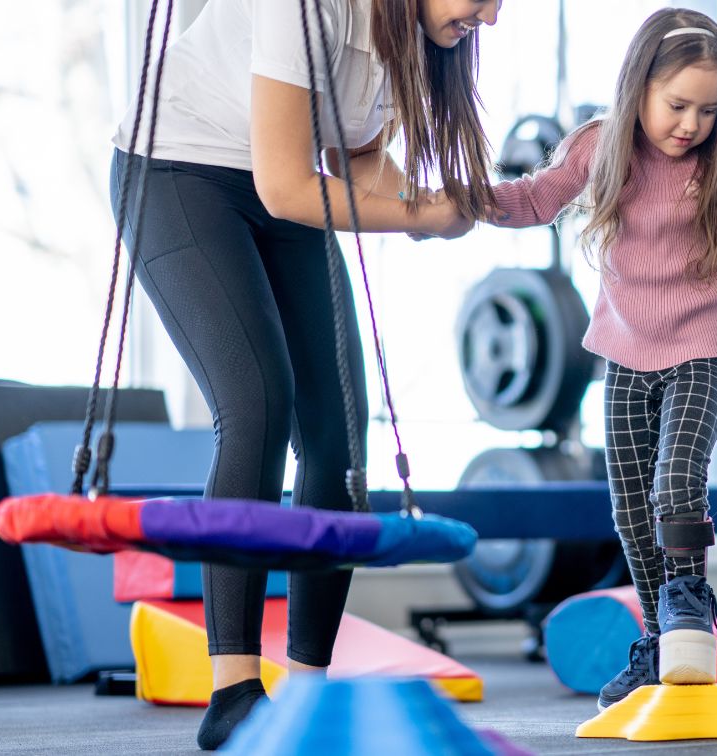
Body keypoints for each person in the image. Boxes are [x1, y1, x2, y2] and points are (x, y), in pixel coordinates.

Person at [108, 0, 497, 749]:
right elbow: (288, 187)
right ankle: (233, 690)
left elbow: (353, 159)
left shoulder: (409, 35)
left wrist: (434, 202)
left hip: (275, 178)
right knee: (258, 402)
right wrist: (416, 217)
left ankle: (310, 692)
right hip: (178, 167)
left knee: (340, 433)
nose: (492, 14)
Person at [483, 7, 717, 711]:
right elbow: (538, 198)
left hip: (701, 351)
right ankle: (665, 642)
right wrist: (467, 200)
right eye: (677, 105)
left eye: (709, 110)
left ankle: (690, 606)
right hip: (625, 355)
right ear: (639, 89)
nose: (691, 124)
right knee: (630, 510)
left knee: (675, 475)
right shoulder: (602, 146)